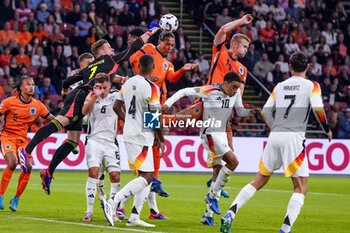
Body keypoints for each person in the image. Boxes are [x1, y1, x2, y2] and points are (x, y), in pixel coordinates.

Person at [19, 22, 162, 195]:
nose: (112, 49)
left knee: (72, 139)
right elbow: (133, 48)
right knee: (61, 121)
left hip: (78, 95)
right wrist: (152, 31)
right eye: (109, 47)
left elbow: (67, 82)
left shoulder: (88, 68)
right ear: (101, 52)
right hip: (80, 96)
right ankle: (26, 151)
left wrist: (65, 92)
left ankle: (48, 172)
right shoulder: (109, 59)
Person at [220, 51, 333, 233]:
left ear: (289, 67)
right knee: (300, 187)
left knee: (259, 180)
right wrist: (326, 128)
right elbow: (318, 108)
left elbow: (265, 111)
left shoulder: (280, 86)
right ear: (307, 67)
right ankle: (284, 230)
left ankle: (231, 212)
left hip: (275, 136)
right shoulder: (312, 85)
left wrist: (275, 127)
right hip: (294, 138)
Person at [162, 72, 257, 226]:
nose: (235, 91)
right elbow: (184, 91)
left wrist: (250, 111)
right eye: (233, 88)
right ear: (225, 83)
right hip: (210, 134)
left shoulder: (235, 92)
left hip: (222, 134)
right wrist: (167, 103)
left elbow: (239, 110)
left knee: (217, 172)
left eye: (237, 89)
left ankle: (207, 215)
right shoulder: (210, 90)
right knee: (233, 162)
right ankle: (212, 196)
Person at [129, 31, 198, 219]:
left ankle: (153, 208)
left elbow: (172, 77)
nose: (169, 48)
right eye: (167, 44)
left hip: (157, 106)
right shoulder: (149, 49)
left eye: (172, 46)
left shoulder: (168, 63)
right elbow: (134, 59)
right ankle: (124, 202)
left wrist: (183, 70)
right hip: (146, 105)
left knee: (155, 150)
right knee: (152, 148)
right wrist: (143, 76)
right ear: (159, 42)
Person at [104, 54, 164, 227]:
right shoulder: (152, 88)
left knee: (148, 175)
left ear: (138, 67)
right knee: (147, 176)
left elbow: (117, 107)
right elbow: (153, 117)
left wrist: (128, 121)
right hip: (141, 135)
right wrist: (160, 138)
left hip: (132, 133)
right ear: (152, 68)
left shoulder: (127, 83)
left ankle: (134, 216)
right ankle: (113, 202)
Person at [0, 76, 54, 212]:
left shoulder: (37, 105)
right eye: (28, 84)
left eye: (33, 84)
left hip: (23, 140)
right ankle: (0, 196)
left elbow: (52, 119)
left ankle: (16, 198)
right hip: (7, 137)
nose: (31, 87)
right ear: (21, 87)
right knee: (12, 163)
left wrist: (66, 119)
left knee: (28, 167)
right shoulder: (8, 102)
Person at [81, 73, 122, 223]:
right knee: (93, 173)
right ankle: (89, 211)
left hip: (111, 142)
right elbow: (84, 113)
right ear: (96, 86)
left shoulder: (117, 95)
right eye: (100, 87)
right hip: (94, 141)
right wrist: (95, 97)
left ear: (110, 85)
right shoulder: (91, 97)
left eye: (105, 87)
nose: (103, 90)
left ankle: (112, 211)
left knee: (116, 177)